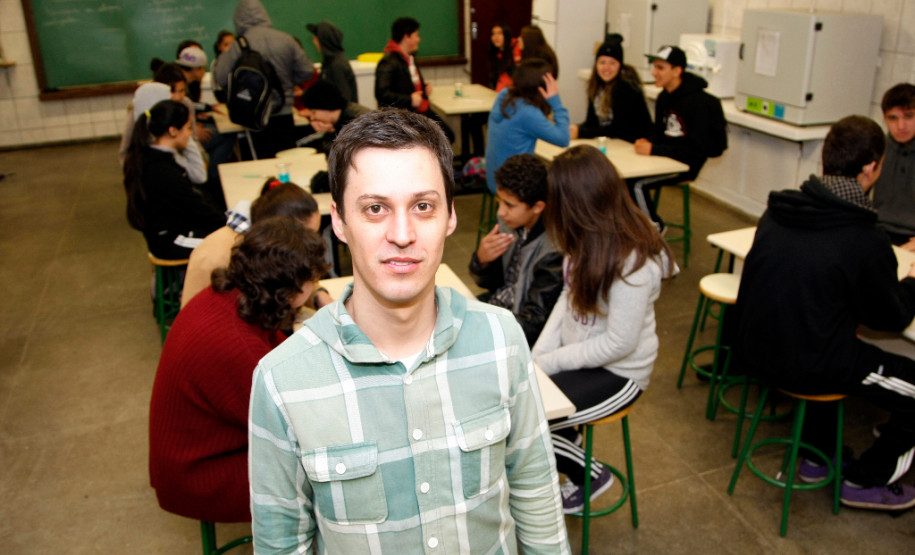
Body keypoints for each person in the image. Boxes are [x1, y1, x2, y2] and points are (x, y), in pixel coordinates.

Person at [248, 109, 570, 553]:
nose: (402, 234)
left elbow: (535, 492)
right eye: (375, 208)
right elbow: (281, 542)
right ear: (338, 222)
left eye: (423, 206)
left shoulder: (501, 340)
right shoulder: (281, 379)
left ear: (450, 217)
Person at [733, 115, 915, 510]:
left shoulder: (779, 211)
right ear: (871, 168)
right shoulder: (864, 236)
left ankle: (818, 457)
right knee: (840, 344)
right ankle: (866, 481)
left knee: (827, 329)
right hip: (807, 364)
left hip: (756, 351)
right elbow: (893, 317)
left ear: (825, 162)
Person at [149, 217, 328, 523]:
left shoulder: (230, 295)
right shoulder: (239, 348)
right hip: (201, 476)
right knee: (331, 471)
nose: (315, 286)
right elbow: (296, 429)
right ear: (287, 288)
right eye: (312, 279)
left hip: (200, 454)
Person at [532, 144, 675, 513]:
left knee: (529, 419)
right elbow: (567, 298)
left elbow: (618, 345)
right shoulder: (584, 240)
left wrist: (553, 361)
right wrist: (537, 358)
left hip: (620, 374)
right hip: (585, 360)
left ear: (579, 206)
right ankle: (569, 439)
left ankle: (591, 475)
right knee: (529, 396)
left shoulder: (633, 266)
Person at [180, 180, 327, 308]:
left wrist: (318, 296)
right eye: (306, 235)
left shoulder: (267, 244)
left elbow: (292, 280)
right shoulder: (218, 257)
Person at [469, 153, 563, 346]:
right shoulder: (512, 223)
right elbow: (496, 284)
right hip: (499, 308)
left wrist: (484, 332)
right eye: (499, 202)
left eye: (509, 205)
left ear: (537, 207)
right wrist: (482, 261)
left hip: (517, 329)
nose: (500, 212)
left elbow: (534, 322)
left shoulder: (553, 251)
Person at [633, 45, 724, 229]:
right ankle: (636, 228)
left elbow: (695, 150)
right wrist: (649, 141)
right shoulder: (664, 97)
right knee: (622, 180)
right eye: (654, 67)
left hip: (687, 164)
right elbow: (660, 133)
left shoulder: (699, 103)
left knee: (637, 185)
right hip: (665, 157)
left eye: (660, 68)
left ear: (677, 71)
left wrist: (654, 149)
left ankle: (655, 227)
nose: (654, 73)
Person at [122, 99, 224, 259]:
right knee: (229, 244)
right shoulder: (161, 169)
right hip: (171, 239)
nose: (191, 134)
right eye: (188, 128)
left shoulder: (153, 155)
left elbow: (195, 197)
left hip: (176, 227)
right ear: (173, 131)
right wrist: (228, 226)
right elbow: (194, 204)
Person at [214, 0, 315, 158]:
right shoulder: (286, 39)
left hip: (253, 112)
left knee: (261, 162)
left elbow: (221, 77)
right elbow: (307, 70)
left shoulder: (239, 45)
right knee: (289, 158)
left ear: (238, 19)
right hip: (285, 111)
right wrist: (288, 83)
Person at [485, 58, 570, 193]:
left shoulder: (504, 95)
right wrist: (556, 102)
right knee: (562, 187)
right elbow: (563, 139)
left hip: (493, 178)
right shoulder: (528, 112)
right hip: (512, 186)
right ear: (543, 87)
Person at [374, 17, 454, 143]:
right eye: (416, 35)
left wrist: (423, 89)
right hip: (403, 118)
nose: (419, 39)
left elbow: (410, 84)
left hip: (418, 112)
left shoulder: (409, 58)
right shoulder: (389, 61)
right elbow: (382, 94)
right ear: (407, 37)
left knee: (447, 136)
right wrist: (410, 99)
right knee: (442, 139)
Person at [117, 81, 207, 186]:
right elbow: (199, 176)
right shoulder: (161, 160)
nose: (179, 97)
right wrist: (184, 131)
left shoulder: (155, 151)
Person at [570, 33, 651, 143]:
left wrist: (581, 133)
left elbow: (617, 130)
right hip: (612, 142)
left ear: (620, 65)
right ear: (596, 64)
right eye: (602, 62)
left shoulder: (626, 88)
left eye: (612, 63)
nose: (606, 68)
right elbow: (592, 123)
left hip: (629, 144)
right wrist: (576, 129)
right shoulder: (596, 85)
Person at [873, 83, 915, 250]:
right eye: (893, 118)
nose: (901, 126)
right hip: (878, 232)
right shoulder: (877, 148)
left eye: (909, 116)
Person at [297, 80, 371, 154]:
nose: (312, 117)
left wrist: (331, 134)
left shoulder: (358, 122)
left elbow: (343, 157)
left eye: (314, 112)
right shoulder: (341, 117)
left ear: (326, 108)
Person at [307, 20, 358, 104]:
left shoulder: (337, 65)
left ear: (323, 41)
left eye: (315, 38)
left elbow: (343, 99)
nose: (314, 42)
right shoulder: (329, 63)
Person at [488, 23, 518, 91]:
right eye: (493, 34)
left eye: (499, 33)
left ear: (506, 35)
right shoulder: (495, 54)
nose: (496, 37)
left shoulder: (514, 51)